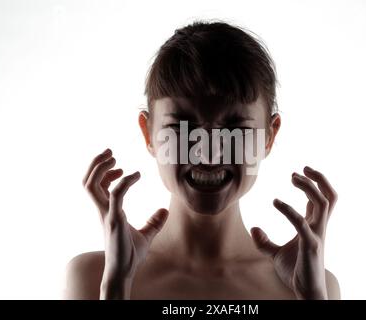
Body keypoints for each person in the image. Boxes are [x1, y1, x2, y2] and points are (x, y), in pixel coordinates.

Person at [64, 20, 340, 300]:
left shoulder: (310, 284)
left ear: (268, 137)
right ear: (148, 133)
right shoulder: (91, 276)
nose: (209, 154)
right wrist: (116, 284)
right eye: (182, 128)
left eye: (236, 130)